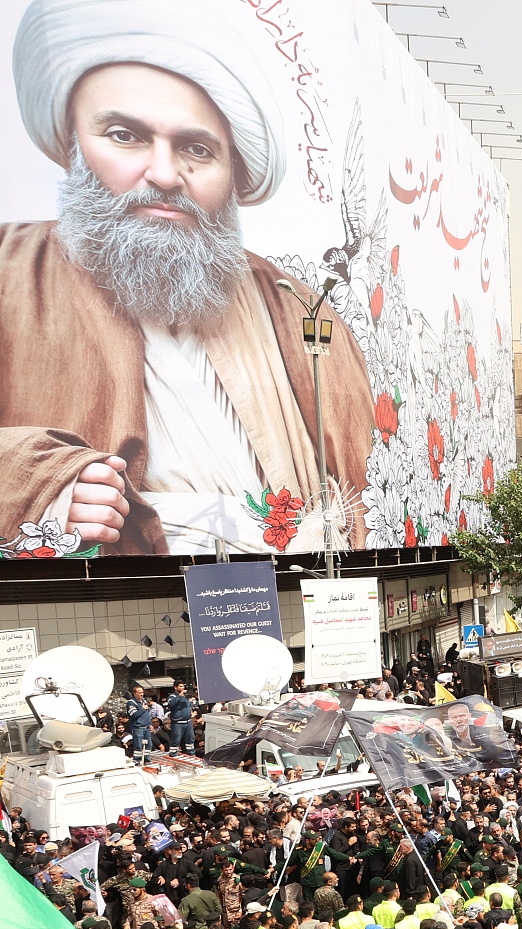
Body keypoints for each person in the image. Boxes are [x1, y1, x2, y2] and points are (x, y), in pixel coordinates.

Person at [0, 0, 376, 557]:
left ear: (232, 173)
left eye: (196, 149)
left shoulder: (303, 314)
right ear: (73, 144)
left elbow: (355, 495)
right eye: (125, 135)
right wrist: (41, 484)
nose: (165, 174)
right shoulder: (8, 273)